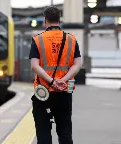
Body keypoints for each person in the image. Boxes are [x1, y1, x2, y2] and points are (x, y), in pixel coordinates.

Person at [29, 6, 82, 144]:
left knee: (43, 134)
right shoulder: (71, 39)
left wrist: (52, 82)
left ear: (45, 20)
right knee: (65, 132)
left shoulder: (37, 40)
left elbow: (34, 66)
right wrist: (62, 81)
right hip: (65, 91)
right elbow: (77, 64)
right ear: (59, 20)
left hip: (43, 93)